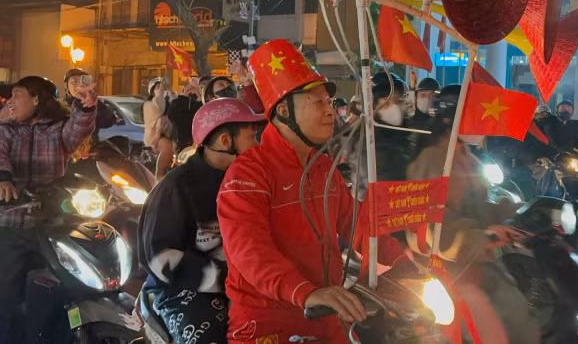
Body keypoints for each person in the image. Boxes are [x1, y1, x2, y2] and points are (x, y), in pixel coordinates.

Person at [216, 39, 417, 343]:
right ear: (284, 111)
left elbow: (356, 224)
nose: (330, 111)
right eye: (318, 102)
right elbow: (251, 252)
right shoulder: (247, 175)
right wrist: (304, 292)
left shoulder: (323, 167)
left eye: (329, 102)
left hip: (325, 311)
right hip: (266, 322)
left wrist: (402, 262)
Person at [405, 84, 533, 344]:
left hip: (477, 261)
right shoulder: (432, 160)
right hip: (446, 268)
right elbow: (430, 223)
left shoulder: (467, 158)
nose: (485, 125)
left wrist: (518, 212)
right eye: (478, 116)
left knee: (519, 313)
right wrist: (479, 236)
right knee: (488, 326)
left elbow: (480, 208)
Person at [139, 98, 266, 344]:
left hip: (247, 285)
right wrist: (226, 280)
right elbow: (161, 258)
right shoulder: (178, 186)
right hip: (183, 289)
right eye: (251, 138)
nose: (257, 145)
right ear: (225, 141)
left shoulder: (251, 180)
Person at [0, 76, 97, 341]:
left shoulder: (56, 130)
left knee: (65, 288)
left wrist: (85, 106)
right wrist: (4, 178)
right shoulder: (5, 129)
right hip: (12, 225)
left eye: (17, 95)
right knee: (6, 295)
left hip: (52, 224)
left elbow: (79, 129)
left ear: (35, 99)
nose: (10, 101)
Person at [344, 72, 417, 201]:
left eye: (397, 101)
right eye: (387, 103)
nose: (394, 107)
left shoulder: (409, 136)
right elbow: (362, 192)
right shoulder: (364, 141)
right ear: (374, 106)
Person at [63, 68, 117, 140]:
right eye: (74, 81)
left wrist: (95, 104)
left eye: (83, 81)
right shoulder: (60, 106)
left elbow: (108, 122)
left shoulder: (94, 103)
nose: (80, 84)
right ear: (66, 86)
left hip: (89, 148)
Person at [143, 77, 175, 179]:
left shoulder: (169, 102)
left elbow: (178, 104)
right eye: (158, 87)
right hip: (155, 137)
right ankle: (159, 176)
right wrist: (160, 91)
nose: (162, 89)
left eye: (164, 87)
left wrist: (170, 91)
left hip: (172, 136)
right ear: (152, 91)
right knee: (168, 149)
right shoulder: (148, 105)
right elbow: (159, 109)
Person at [167, 78, 203, 157]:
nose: (191, 91)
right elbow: (172, 116)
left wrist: (199, 95)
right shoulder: (180, 101)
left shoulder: (201, 102)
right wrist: (184, 97)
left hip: (197, 143)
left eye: (193, 88)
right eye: (189, 88)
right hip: (180, 143)